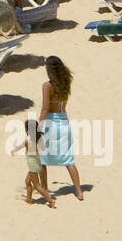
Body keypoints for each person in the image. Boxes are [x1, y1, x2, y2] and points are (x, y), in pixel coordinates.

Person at [38, 56, 83, 201]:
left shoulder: (47, 86)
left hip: (51, 123)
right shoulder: (66, 83)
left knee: (42, 159)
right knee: (69, 160)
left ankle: (44, 189)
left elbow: (45, 108)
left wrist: (38, 126)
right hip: (64, 122)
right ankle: (79, 191)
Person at [17, 122, 55, 208]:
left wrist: (13, 151)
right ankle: (29, 200)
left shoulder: (28, 141)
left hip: (32, 165)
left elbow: (19, 147)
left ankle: (50, 200)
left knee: (37, 186)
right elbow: (43, 149)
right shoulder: (39, 139)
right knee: (27, 181)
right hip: (38, 163)